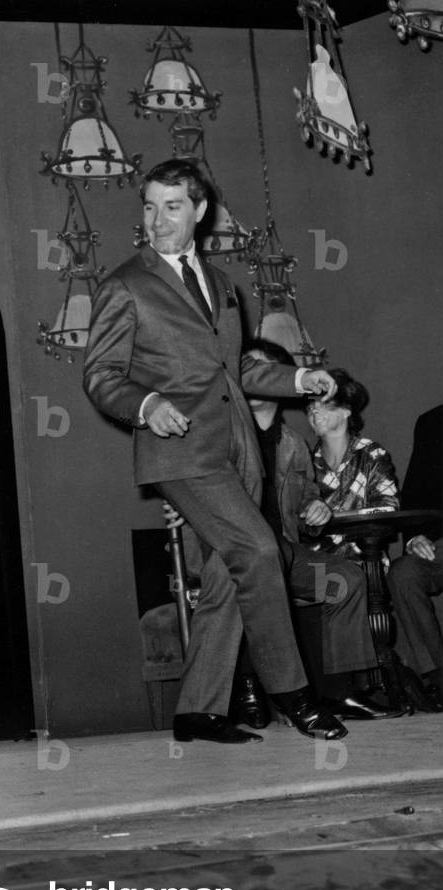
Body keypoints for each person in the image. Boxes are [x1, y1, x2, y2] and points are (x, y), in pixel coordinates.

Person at [83, 158, 345, 745]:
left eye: (171, 207)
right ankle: (295, 695)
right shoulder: (125, 284)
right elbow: (99, 375)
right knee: (257, 551)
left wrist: (300, 381)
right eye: (149, 207)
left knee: (230, 569)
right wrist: (147, 404)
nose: (157, 220)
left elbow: (238, 370)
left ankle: (197, 709)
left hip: (237, 451)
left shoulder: (222, 285)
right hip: (179, 454)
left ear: (199, 212)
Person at [241, 343, 396, 720]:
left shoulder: (293, 447)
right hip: (240, 554)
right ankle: (248, 691)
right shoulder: (227, 436)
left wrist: (319, 508)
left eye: (265, 371)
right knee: (250, 579)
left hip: (293, 556)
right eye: (249, 370)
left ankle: (340, 693)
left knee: (343, 579)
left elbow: (309, 504)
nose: (255, 379)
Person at [308, 368, 399, 559]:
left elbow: (388, 509)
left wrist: (334, 517)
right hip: (313, 565)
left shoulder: (372, 454)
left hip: (365, 558)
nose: (314, 412)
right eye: (310, 407)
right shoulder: (305, 459)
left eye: (324, 405)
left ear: (346, 411)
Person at [386, 403, 443, 708]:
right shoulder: (433, 422)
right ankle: (438, 678)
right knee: (403, 573)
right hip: (441, 542)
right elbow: (415, 490)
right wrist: (414, 537)